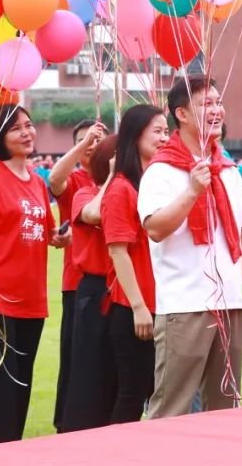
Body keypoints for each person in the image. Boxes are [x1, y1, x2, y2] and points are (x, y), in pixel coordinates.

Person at [138, 76, 242, 418]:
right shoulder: (161, 170)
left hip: (229, 302)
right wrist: (192, 190)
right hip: (185, 305)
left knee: (226, 404)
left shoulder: (226, 168)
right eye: (205, 103)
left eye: (218, 101)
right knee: (172, 404)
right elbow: (154, 228)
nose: (217, 110)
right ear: (181, 113)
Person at [0, 105, 69, 444]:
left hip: (32, 303)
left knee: (21, 391)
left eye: (29, 126)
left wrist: (61, 237)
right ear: (0, 138)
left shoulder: (37, 182)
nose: (27, 132)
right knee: (2, 396)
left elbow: (48, 233)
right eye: (16, 128)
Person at [103, 104, 169, 423]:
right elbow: (119, 252)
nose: (164, 137)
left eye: (166, 130)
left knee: (160, 393)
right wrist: (139, 307)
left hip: (165, 303)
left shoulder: (155, 185)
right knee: (132, 393)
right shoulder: (121, 189)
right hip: (135, 308)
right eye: (157, 130)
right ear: (134, 135)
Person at [47, 118, 106, 433]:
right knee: (74, 358)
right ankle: (66, 422)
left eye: (99, 140)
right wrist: (85, 144)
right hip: (78, 283)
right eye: (83, 141)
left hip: (117, 284)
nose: (93, 145)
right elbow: (55, 179)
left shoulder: (119, 180)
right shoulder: (76, 180)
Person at [63, 135, 120, 431]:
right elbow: (94, 213)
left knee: (117, 376)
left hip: (122, 290)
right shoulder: (85, 193)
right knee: (88, 373)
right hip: (94, 289)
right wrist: (112, 177)